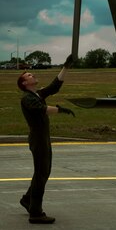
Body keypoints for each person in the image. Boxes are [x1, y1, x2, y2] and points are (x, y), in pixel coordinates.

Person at [17, 54, 74, 224]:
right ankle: (35, 212)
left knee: (43, 172)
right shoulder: (27, 98)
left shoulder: (36, 94)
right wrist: (60, 110)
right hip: (38, 139)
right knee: (41, 173)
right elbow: (42, 109)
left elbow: (54, 87)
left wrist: (66, 67)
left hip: (43, 138)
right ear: (24, 84)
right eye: (28, 76)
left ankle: (28, 200)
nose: (32, 75)